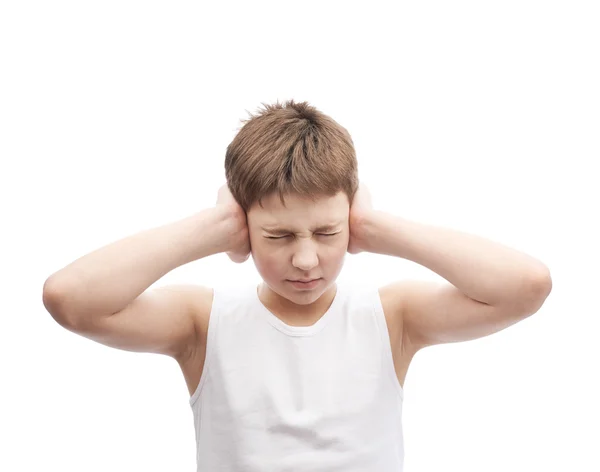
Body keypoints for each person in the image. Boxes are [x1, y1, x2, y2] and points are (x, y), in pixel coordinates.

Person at [42, 99, 553, 471]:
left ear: (350, 217)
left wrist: (375, 228)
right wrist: (214, 228)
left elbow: (526, 285)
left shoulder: (392, 317)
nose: (306, 259)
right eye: (279, 235)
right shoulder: (203, 323)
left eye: (328, 232)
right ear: (243, 224)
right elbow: (71, 299)